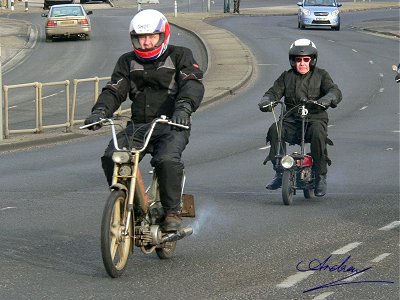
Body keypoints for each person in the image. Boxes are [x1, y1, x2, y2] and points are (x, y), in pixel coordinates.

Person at [84, 9, 204, 231]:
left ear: (163, 35)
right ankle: (134, 204)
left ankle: (172, 211)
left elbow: (192, 84)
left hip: (172, 124)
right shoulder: (126, 61)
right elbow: (114, 90)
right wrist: (99, 112)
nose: (146, 43)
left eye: (151, 37)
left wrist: (184, 108)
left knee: (166, 159)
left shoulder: (181, 55)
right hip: (138, 126)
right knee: (112, 156)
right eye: (141, 38)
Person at [258, 38, 342, 197]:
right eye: (298, 60)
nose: (302, 63)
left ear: (312, 60)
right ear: (292, 61)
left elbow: (334, 91)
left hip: (314, 120)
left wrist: (328, 99)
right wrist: (266, 101)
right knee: (275, 130)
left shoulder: (322, 75)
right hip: (291, 121)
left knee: (318, 133)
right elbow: (272, 93)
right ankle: (279, 172)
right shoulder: (286, 76)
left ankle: (320, 176)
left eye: (306, 60)